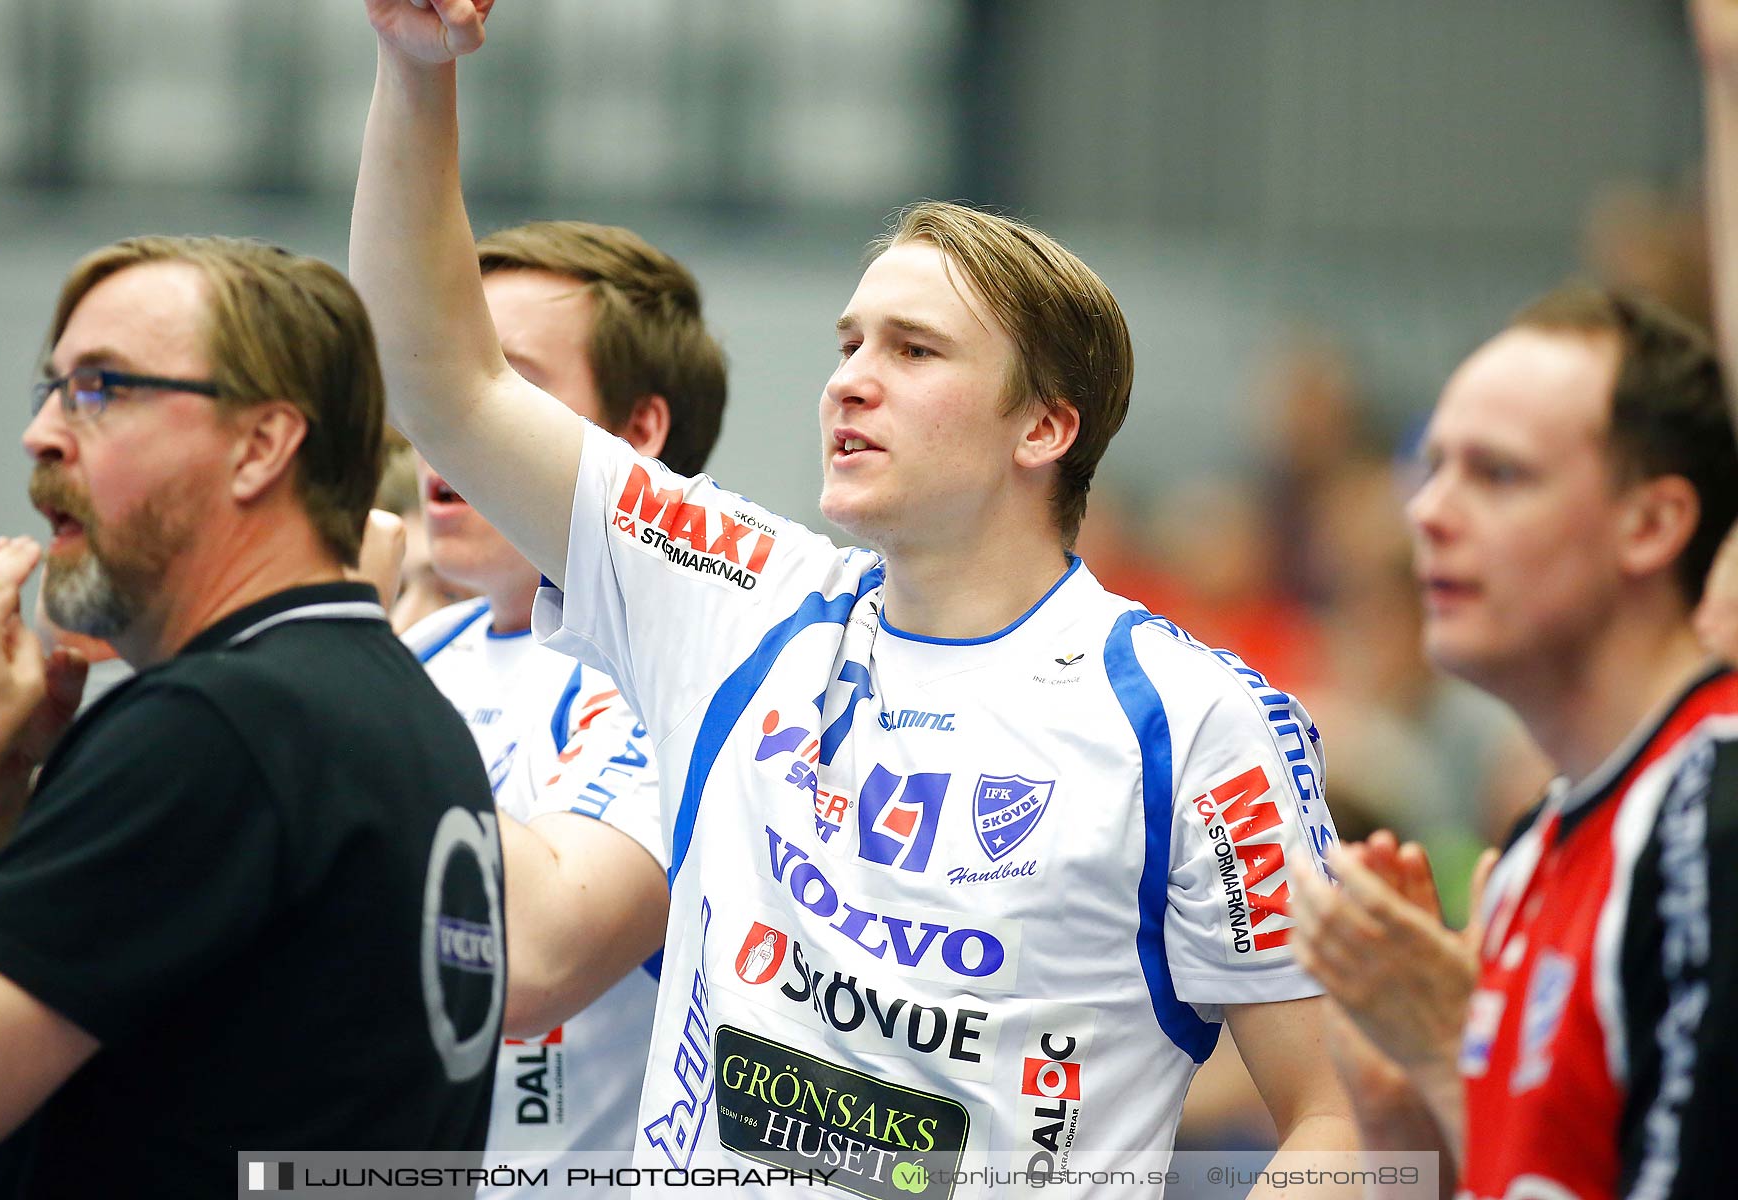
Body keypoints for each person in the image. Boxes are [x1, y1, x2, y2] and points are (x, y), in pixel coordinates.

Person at [352, 5, 1356, 1194]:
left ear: (1045, 426)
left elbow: (1340, 1123)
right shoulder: (737, 596)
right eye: (848, 344)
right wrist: (414, 68)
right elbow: (444, 378)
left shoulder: (1193, 721)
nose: (849, 384)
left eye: (913, 352)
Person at [0, 236, 505, 1197]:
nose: (41, 432)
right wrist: (0, 779)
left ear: (260, 447)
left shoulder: (218, 728)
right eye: (52, 387)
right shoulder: (394, 707)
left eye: (101, 387)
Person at [1290, 282, 1738, 1200]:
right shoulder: (1541, 843)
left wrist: (1450, 1063)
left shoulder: (1712, 824)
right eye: (1433, 467)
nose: (1427, 513)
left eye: (1497, 475)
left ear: (1651, 524)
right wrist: (1401, 1121)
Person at [398, 218, 725, 1185]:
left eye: (498, 385)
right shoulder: (418, 655)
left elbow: (528, 966)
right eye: (436, 381)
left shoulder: (693, 672)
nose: (442, 422)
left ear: (636, 435)